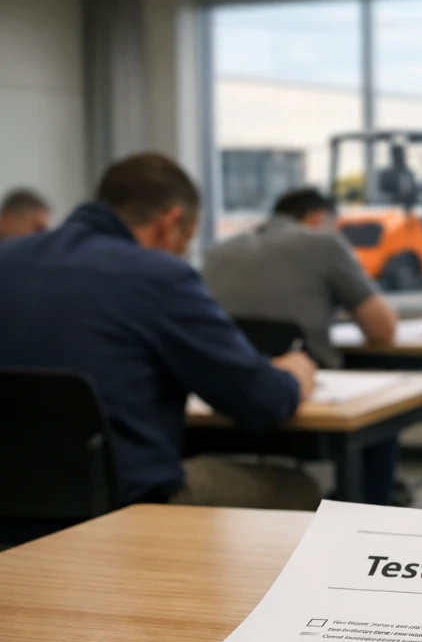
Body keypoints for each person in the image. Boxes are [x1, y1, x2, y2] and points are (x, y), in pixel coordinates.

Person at [0, 153, 321, 510]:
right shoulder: (158, 275)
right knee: (299, 489)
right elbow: (261, 401)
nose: (182, 253)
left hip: (14, 503)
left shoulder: (8, 260)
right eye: (187, 241)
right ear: (172, 223)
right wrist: (293, 375)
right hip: (123, 507)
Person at [204, 187, 401, 505]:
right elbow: (383, 329)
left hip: (224, 412)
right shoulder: (324, 244)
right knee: (384, 416)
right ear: (318, 218)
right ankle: (367, 517)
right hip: (304, 404)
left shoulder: (218, 251)